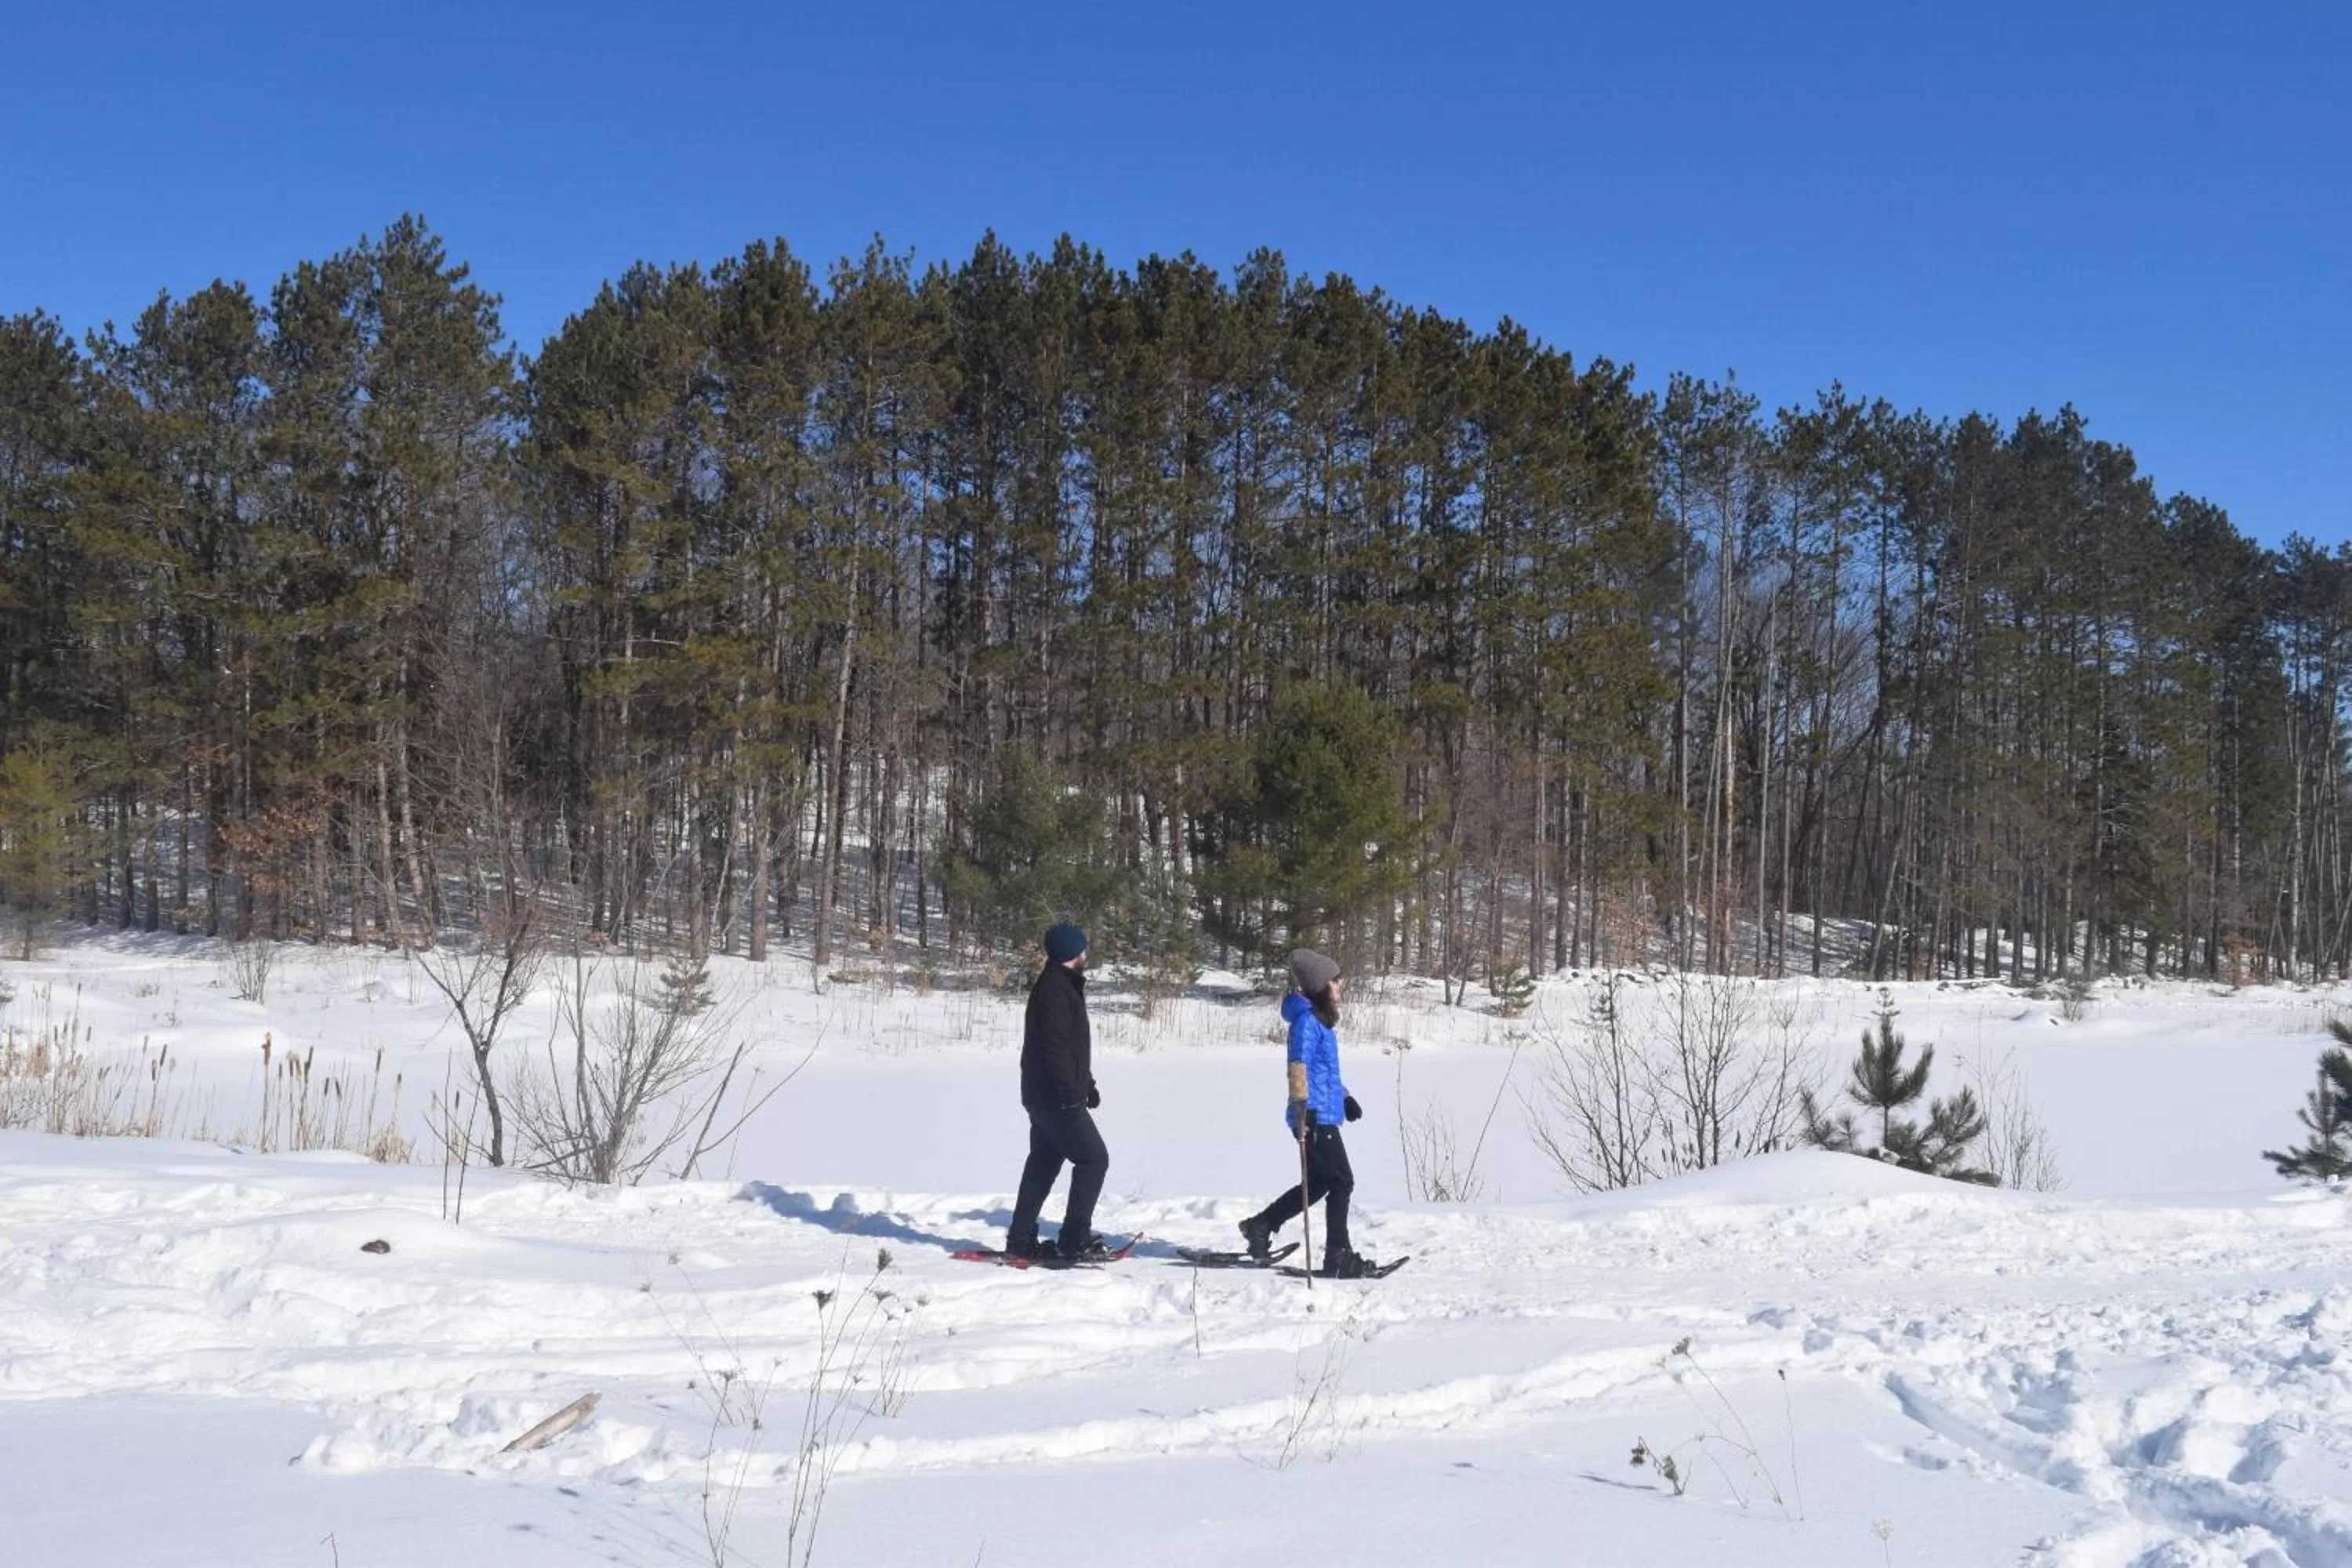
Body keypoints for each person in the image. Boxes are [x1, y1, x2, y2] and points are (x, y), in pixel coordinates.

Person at [1238, 947, 1372, 1277]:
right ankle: (1338, 1255)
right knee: (1342, 1181)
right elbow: (1298, 1066)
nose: (1340, 986)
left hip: (1321, 1111)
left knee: (1321, 1184)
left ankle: (1261, 1225)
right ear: (1322, 985)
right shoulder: (1307, 1022)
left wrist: (1345, 1097)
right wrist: (1303, 1111)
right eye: (1336, 981)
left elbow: (1323, 1072)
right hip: (1312, 1115)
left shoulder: (1320, 1022)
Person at [1005, 920, 1111, 1261]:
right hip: (1054, 1097)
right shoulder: (1054, 989)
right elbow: (1054, 1049)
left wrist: (1087, 1085)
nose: (1087, 953)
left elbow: (1072, 1047)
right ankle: (1074, 1237)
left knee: (1044, 1163)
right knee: (1094, 1159)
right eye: (1083, 948)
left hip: (1045, 1093)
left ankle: (1020, 1239)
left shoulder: (1062, 984)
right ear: (1073, 953)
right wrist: (1070, 1094)